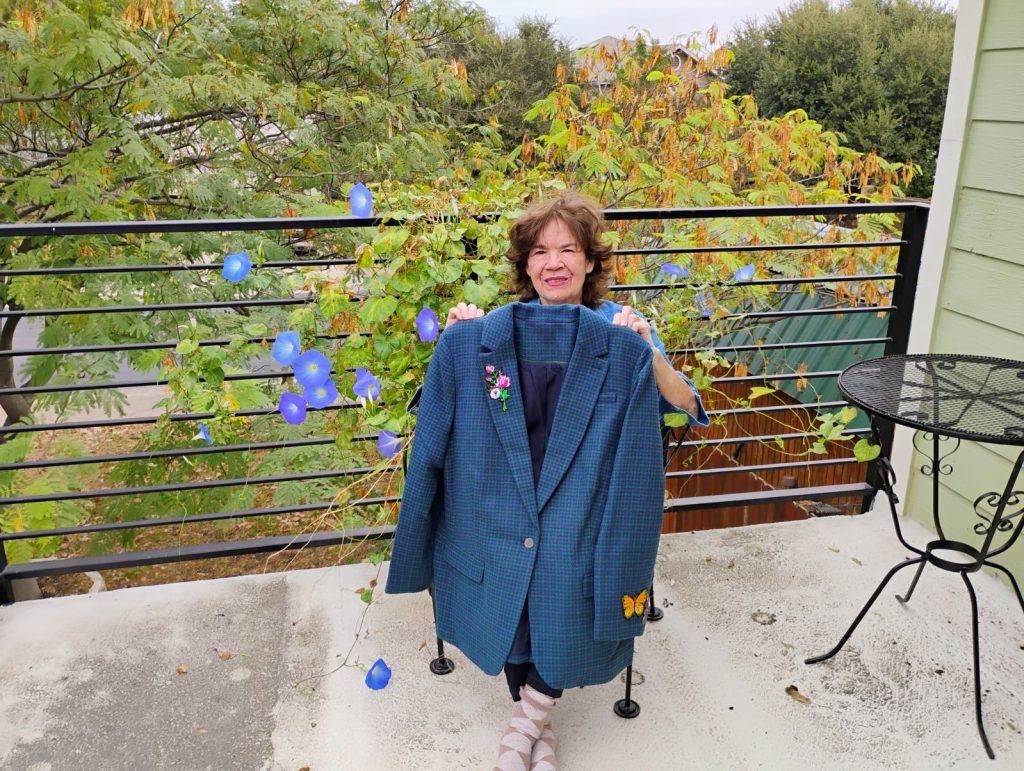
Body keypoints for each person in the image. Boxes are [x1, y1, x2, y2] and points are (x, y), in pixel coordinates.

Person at [442, 191, 708, 769]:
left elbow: (687, 405)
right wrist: (460, 340)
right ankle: (540, 730)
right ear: (525, 265)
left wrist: (648, 351)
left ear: (590, 262)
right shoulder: (494, 334)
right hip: (512, 492)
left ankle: (528, 720)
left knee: (564, 578)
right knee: (512, 586)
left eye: (568, 248)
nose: (553, 262)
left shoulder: (619, 330)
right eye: (540, 251)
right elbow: (454, 402)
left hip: (588, 500)